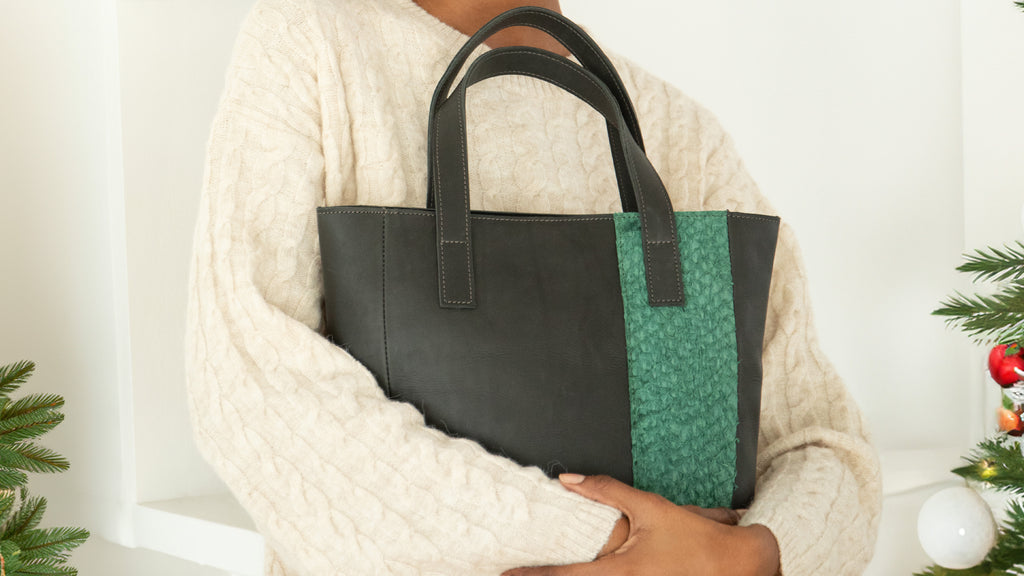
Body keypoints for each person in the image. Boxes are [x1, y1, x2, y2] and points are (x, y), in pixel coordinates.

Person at [184, 0, 882, 574]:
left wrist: (743, 559)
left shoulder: (679, 134)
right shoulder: (315, 47)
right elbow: (250, 389)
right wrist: (621, 544)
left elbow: (820, 444)